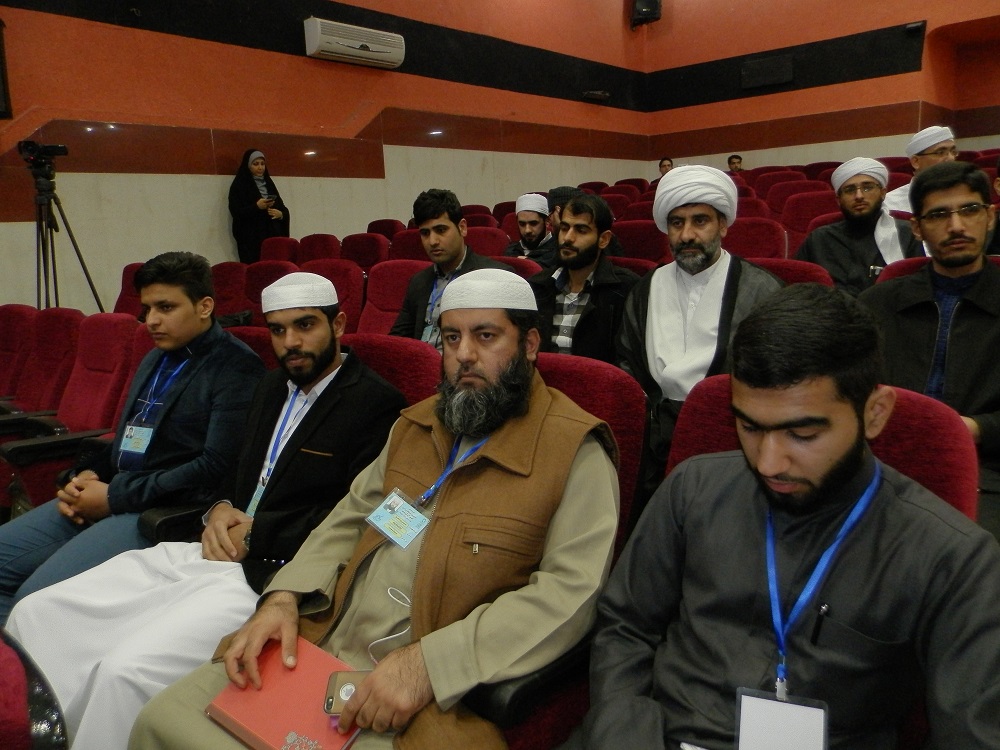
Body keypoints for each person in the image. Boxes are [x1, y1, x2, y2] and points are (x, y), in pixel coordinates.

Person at [130, 268, 621, 750]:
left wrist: (429, 665)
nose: (464, 355)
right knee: (162, 720)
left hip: (425, 691)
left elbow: (570, 593)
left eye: (486, 336)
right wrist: (284, 596)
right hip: (323, 639)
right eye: (452, 338)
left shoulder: (575, 452)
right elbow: (349, 518)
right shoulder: (417, 425)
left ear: (530, 344)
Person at [566, 283, 1000, 750]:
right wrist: (624, 733)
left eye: (803, 434)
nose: (769, 463)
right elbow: (626, 625)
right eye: (749, 427)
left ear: (874, 414)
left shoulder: (952, 558)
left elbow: (972, 732)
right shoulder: (692, 489)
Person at [6, 272, 406, 749]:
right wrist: (218, 508)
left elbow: (353, 517)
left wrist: (257, 532)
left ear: (337, 324)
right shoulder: (271, 386)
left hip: (272, 573)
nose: (291, 343)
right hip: (207, 548)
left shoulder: (376, 404)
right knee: (39, 612)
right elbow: (231, 472)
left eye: (305, 326)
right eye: (278, 330)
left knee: (123, 670)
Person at [0, 252, 266, 624]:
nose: (152, 320)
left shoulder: (236, 367)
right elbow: (129, 439)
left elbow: (214, 467)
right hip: (116, 491)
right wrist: (85, 476)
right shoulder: (155, 358)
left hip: (162, 510)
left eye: (166, 307)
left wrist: (113, 496)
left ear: (205, 306)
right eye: (147, 309)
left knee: (35, 600)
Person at [617, 165, 783, 518]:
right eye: (677, 223)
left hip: (732, 442)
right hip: (653, 443)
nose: (687, 235)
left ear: (723, 225)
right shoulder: (645, 289)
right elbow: (628, 363)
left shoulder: (760, 289)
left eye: (700, 221)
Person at [859, 160, 1000, 540]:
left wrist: (976, 429)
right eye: (939, 215)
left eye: (969, 210)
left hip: (988, 473)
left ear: (990, 217)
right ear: (917, 228)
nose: (956, 226)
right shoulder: (877, 304)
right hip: (881, 466)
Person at [390, 188, 507, 350]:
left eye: (441, 230)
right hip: (420, 363)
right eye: (425, 233)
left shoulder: (494, 277)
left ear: (462, 228)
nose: (432, 241)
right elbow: (397, 340)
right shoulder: (418, 282)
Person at [528, 194, 639, 362]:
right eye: (564, 228)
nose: (567, 238)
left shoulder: (626, 290)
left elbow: (628, 362)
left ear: (603, 239)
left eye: (581, 230)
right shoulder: (537, 286)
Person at [796, 157, 923, 295]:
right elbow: (798, 290)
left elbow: (918, 288)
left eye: (867, 187)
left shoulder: (906, 234)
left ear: (883, 193)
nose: (859, 196)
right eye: (849, 190)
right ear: (838, 200)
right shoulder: (819, 239)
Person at [228, 149, 291, 264]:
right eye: (255, 164)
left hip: (272, 238)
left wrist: (281, 214)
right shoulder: (240, 185)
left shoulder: (269, 184)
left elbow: (282, 208)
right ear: (248, 166)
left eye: (262, 164)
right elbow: (236, 212)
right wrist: (256, 207)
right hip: (252, 241)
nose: (260, 167)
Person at [882, 126, 957, 214]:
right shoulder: (890, 206)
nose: (951, 158)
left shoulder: (964, 195)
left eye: (953, 152)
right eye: (940, 153)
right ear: (916, 161)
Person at [503, 193, 558, 268]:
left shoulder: (559, 251)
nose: (527, 230)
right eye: (522, 224)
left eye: (533, 223)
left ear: (547, 221)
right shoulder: (510, 251)